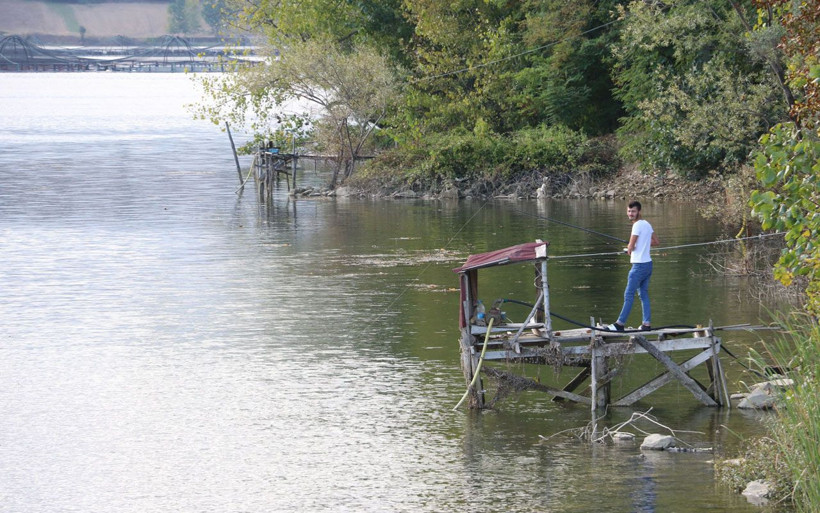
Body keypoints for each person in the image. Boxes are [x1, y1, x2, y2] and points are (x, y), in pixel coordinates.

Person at [607, 201, 659, 331]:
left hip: (638, 266)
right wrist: (640, 245)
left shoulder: (636, 226)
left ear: (639, 212)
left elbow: (630, 248)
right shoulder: (647, 224)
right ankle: (646, 324)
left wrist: (629, 249)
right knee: (644, 295)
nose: (630, 214)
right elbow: (655, 242)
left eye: (633, 211)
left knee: (628, 295)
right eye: (629, 211)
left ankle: (620, 324)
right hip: (648, 264)